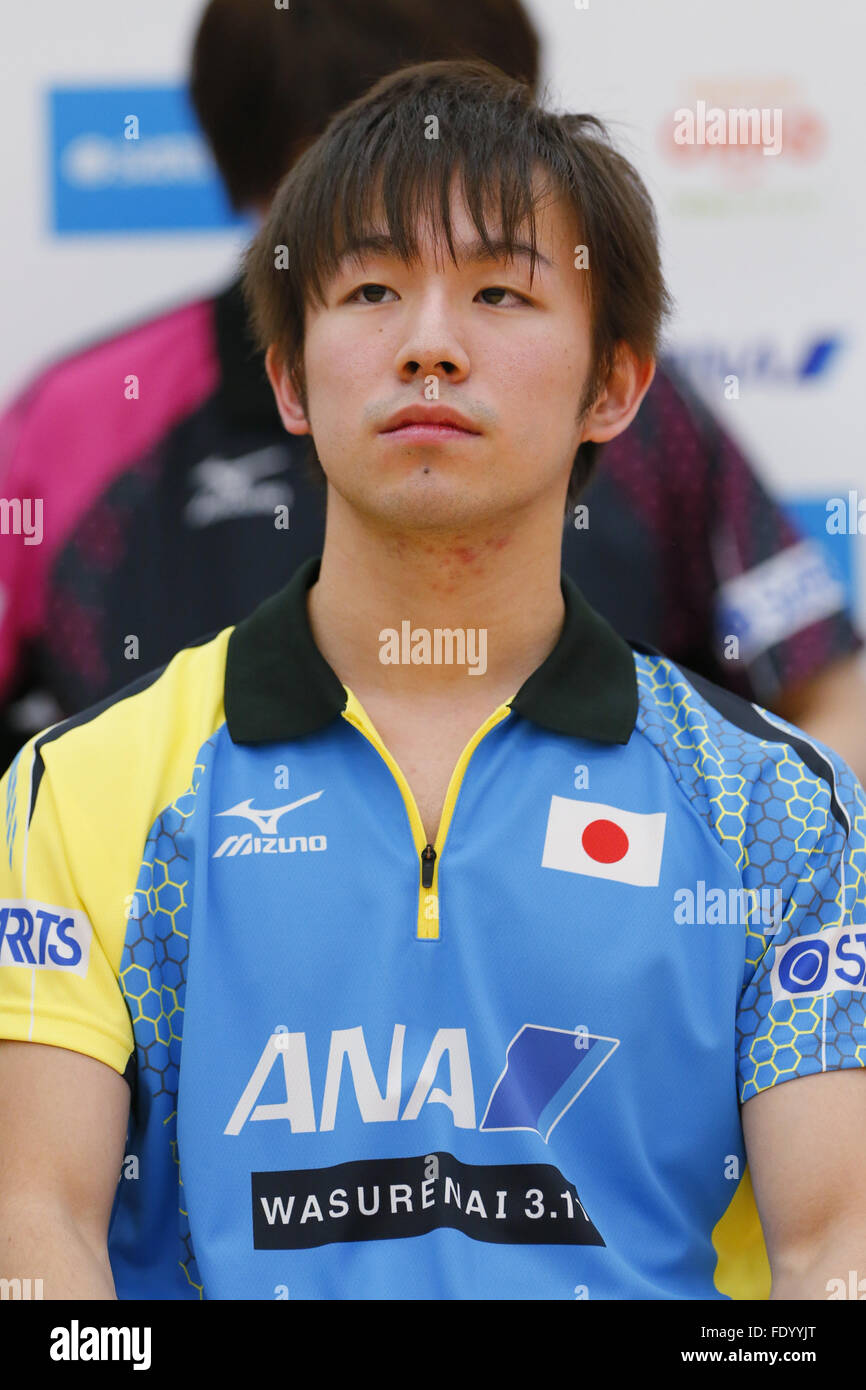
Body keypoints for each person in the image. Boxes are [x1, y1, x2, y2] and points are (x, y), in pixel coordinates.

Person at [1, 60, 864, 1300]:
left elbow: (836, 1258)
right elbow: (38, 1247)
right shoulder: (78, 790)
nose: (429, 347)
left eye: (502, 292)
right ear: (290, 380)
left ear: (614, 384)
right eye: (369, 289)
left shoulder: (776, 810)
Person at [0, 0, 863, 781]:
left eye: (492, 284)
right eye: (370, 263)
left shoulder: (622, 399)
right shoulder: (81, 420)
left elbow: (830, 696)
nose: (430, 345)